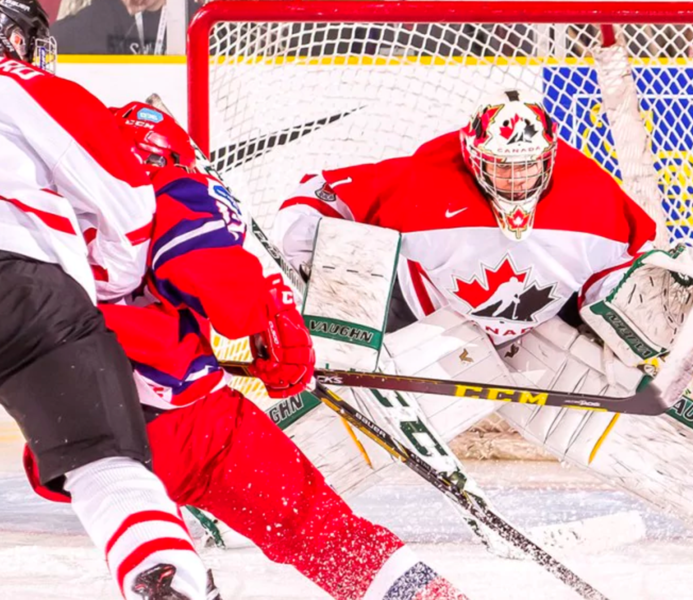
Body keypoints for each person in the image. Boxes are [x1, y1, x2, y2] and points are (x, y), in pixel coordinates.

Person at [272, 89, 693, 550]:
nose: (514, 178)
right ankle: (251, 500)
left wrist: (664, 331)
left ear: (549, 157)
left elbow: (630, 292)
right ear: (473, 156)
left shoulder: (593, 201)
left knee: (619, 411)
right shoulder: (422, 179)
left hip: (537, 335)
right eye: (500, 165)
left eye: (526, 165)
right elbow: (311, 198)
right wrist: (311, 259)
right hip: (431, 323)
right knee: (356, 420)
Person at [89, 101, 468, 600]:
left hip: (75, 419)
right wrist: (273, 325)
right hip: (186, 421)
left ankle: (159, 565)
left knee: (121, 501)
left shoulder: (45, 208)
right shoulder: (170, 189)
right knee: (315, 526)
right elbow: (228, 294)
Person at [0, 2, 212, 598]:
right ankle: (163, 572)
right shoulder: (25, 85)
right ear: (15, 37)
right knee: (102, 462)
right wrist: (108, 293)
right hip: (22, 288)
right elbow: (128, 207)